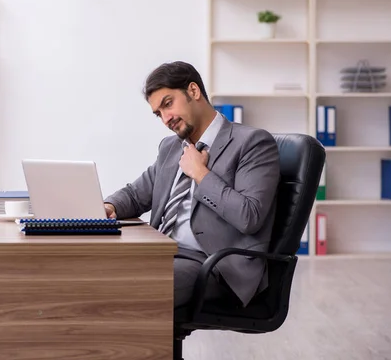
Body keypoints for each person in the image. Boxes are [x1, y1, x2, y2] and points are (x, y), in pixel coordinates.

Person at [103, 61, 281, 308]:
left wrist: (201, 174)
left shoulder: (252, 143)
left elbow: (249, 216)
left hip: (214, 265)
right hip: (164, 252)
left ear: (194, 91)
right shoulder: (171, 147)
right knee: (94, 272)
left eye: (168, 104)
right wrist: (109, 206)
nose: (166, 118)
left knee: (136, 289)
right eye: (159, 113)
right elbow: (136, 194)